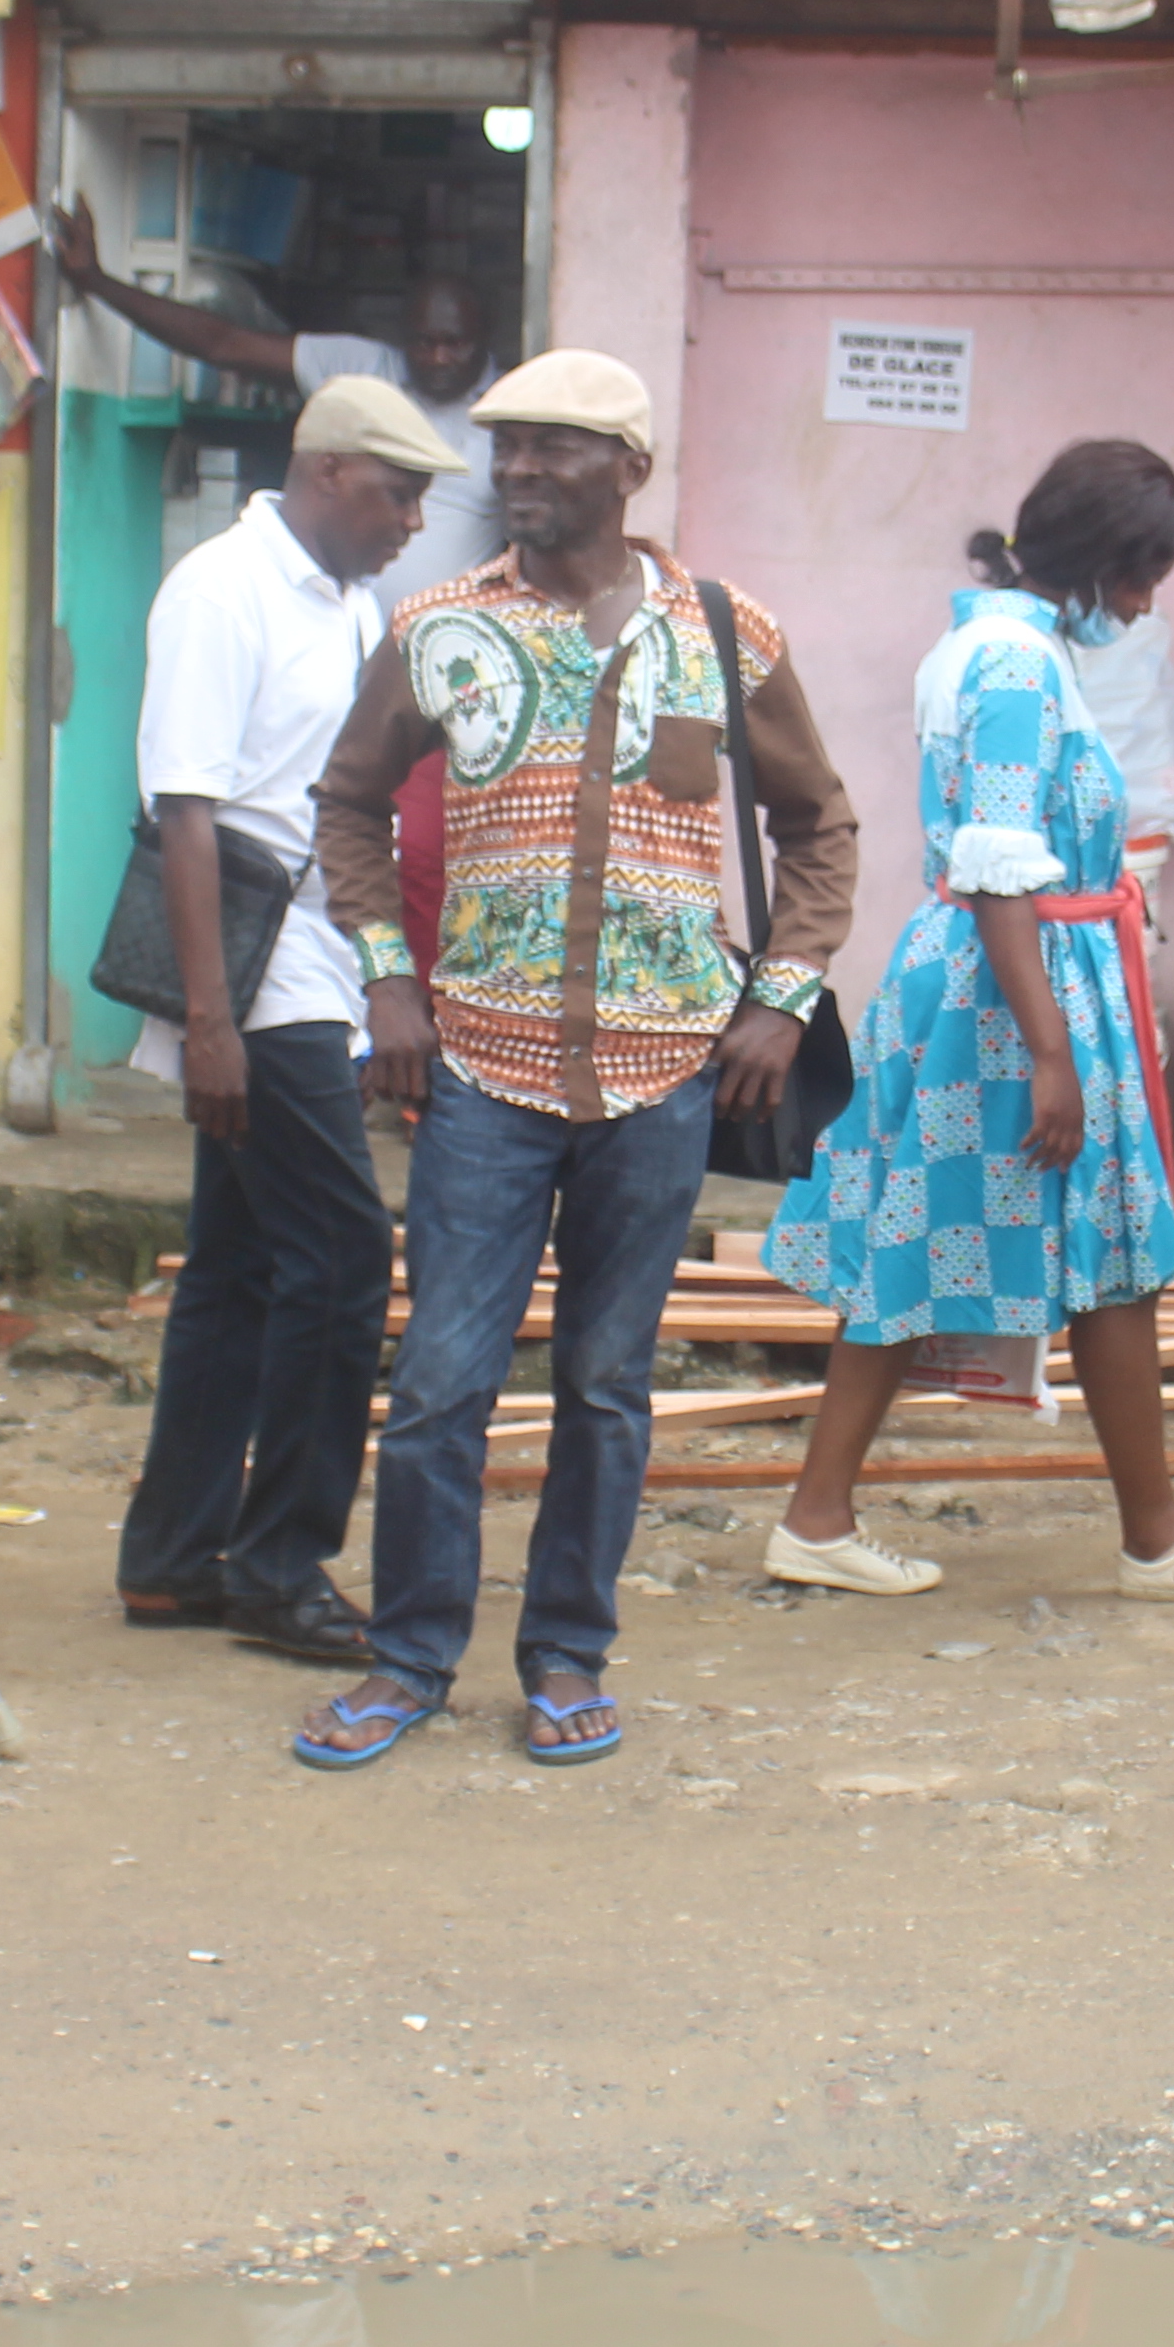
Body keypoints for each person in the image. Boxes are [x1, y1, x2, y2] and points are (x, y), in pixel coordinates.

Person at [303, 348, 857, 1773]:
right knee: (439, 1381)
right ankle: (412, 1656)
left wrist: (780, 1000)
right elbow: (349, 808)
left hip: (666, 1070)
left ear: (631, 469)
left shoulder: (724, 631)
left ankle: (565, 1653)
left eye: (556, 448)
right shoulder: (435, 629)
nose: (523, 471)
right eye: (508, 448)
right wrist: (390, 988)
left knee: (607, 1383)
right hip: (479, 1060)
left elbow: (821, 827)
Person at [760, 440, 1174, 1607]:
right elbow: (999, 868)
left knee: (961, 1241)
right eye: (1143, 574)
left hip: (1013, 984)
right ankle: (1148, 1540)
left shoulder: (1001, 644)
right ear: (1098, 563)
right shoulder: (1013, 665)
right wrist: (1052, 1052)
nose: (1148, 603)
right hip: (1013, 998)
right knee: (1095, 1254)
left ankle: (824, 1513)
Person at [108, 373, 463, 1666]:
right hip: (254, 975)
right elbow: (186, 812)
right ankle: (277, 1563)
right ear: (326, 475)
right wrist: (211, 1019)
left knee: (243, 1266)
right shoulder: (223, 589)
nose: (413, 520)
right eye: (398, 493)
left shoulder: (349, 603)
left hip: (310, 956)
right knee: (347, 1261)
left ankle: (171, 1557)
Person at [49, 203, 506, 602]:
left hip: (450, 666)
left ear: (485, 338)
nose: (436, 358)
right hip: (336, 628)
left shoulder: (507, 413)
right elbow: (225, 344)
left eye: (454, 344)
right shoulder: (360, 367)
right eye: (421, 342)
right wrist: (97, 282)